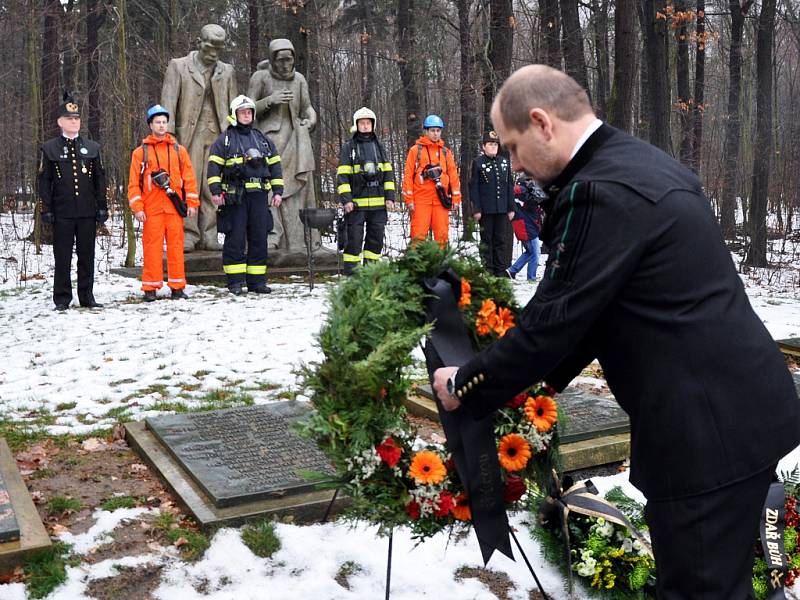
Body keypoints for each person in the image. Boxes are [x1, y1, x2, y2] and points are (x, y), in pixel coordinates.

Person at [432, 65, 800, 598]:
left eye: (513, 147)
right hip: (738, 411)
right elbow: (596, 315)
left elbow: (553, 322)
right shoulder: (636, 162)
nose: (514, 164)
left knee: (701, 591)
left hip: (704, 434)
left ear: (542, 123)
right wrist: (533, 388)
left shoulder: (599, 190)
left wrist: (466, 382)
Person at [161, 24, 237, 252]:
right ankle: (188, 232)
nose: (213, 53)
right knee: (188, 183)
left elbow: (233, 106)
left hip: (217, 135)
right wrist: (169, 134)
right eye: (209, 46)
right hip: (188, 136)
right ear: (199, 42)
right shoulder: (179, 66)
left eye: (219, 48)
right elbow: (168, 102)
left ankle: (209, 233)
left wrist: (233, 135)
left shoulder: (227, 71)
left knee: (212, 185)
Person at [207, 95, 283, 295]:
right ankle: (235, 282)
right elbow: (214, 167)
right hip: (235, 197)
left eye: (249, 112)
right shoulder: (224, 140)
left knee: (259, 239)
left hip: (259, 196)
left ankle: (257, 282)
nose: (246, 115)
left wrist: (278, 192)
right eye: (242, 112)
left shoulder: (263, 140)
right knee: (236, 239)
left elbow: (275, 167)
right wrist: (216, 192)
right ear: (234, 115)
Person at [38, 92, 108, 311]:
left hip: (87, 212)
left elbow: (99, 180)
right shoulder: (49, 148)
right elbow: (44, 182)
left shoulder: (92, 148)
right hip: (63, 213)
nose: (74, 122)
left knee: (87, 256)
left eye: (76, 118)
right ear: (60, 122)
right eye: (69, 118)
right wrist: (46, 209)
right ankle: (62, 298)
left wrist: (102, 206)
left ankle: (87, 296)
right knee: (62, 257)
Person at [248, 38, 317, 252]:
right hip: (268, 141)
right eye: (280, 61)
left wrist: (310, 120)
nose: (286, 65)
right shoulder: (260, 77)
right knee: (271, 187)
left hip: (296, 140)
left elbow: (308, 108)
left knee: (297, 189)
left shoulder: (299, 80)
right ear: (272, 60)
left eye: (289, 60)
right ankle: (273, 234)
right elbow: (247, 109)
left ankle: (298, 240)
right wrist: (271, 100)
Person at [127, 105, 200, 302]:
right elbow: (134, 184)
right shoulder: (140, 153)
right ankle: (150, 287)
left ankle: (177, 287)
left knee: (176, 247)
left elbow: (189, 179)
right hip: (151, 210)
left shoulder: (179, 151)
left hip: (174, 208)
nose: (161, 125)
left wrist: (192, 202)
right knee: (152, 248)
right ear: (150, 125)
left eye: (164, 122)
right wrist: (137, 208)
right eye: (157, 122)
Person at [336, 107, 396, 275]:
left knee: (375, 242)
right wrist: (346, 200)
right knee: (353, 242)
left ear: (372, 125)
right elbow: (342, 176)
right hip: (356, 206)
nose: (365, 126)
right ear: (356, 125)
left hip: (378, 206)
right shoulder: (349, 148)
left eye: (368, 123)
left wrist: (390, 197)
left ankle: (371, 276)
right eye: (362, 123)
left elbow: (388, 174)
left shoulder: (379, 147)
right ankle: (352, 278)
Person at [402, 115, 461, 247]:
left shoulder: (446, 153)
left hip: (441, 199)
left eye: (438, 131)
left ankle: (440, 267)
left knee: (442, 237)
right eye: (432, 130)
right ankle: (417, 267)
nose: (435, 134)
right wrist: (409, 199)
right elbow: (408, 175)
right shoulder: (415, 151)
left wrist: (456, 198)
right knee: (418, 237)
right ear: (426, 131)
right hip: (421, 200)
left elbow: (453, 176)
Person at [468, 130, 515, 276]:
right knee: (486, 241)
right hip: (486, 210)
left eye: (495, 144)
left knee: (500, 241)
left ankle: (500, 271)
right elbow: (473, 187)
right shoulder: (478, 163)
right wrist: (476, 209)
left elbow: (509, 186)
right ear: (483, 146)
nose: (494, 147)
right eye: (490, 144)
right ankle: (488, 270)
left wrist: (511, 207)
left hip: (501, 209)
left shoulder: (504, 162)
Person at [507, 177, 545, 281]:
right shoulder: (521, 191)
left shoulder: (530, 192)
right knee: (535, 252)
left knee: (530, 251)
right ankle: (531, 277)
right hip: (525, 225)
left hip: (528, 225)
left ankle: (512, 271)